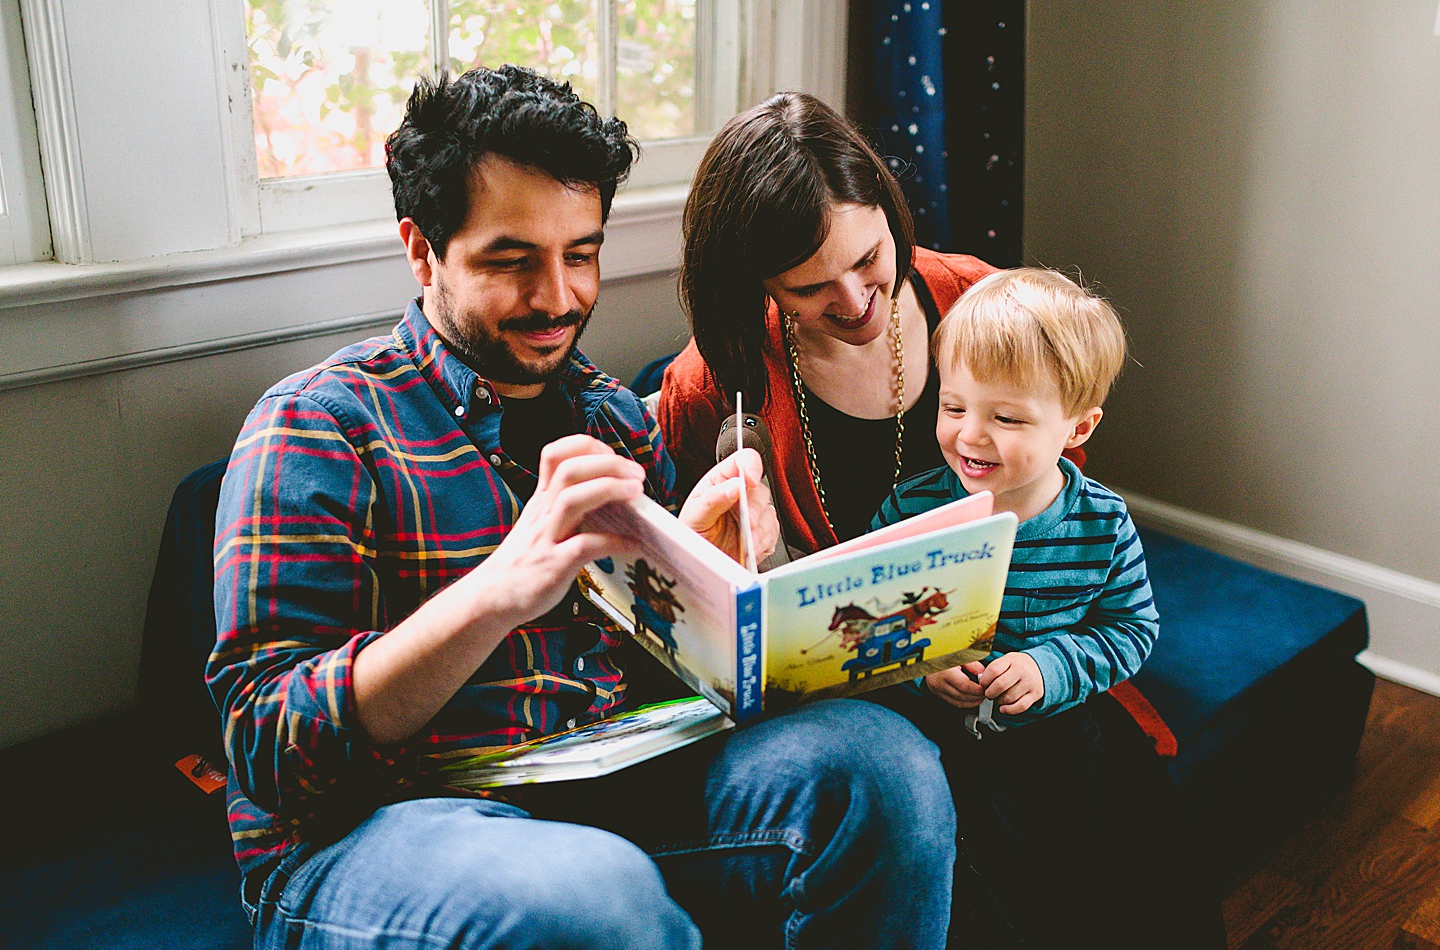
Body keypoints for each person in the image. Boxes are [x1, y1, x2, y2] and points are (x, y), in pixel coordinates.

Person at [208, 66, 957, 950]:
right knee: (592, 895)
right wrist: (496, 593)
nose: (559, 298)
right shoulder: (319, 425)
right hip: (393, 824)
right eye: (512, 260)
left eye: (582, 253)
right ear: (422, 250)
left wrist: (698, 581)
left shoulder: (613, 421)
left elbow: (657, 695)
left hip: (603, 782)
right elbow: (264, 741)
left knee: (885, 768)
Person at [872, 267, 1225, 949]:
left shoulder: (1101, 523)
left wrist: (1053, 666)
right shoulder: (911, 511)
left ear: (1076, 427)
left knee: (1106, 856)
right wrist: (924, 666)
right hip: (943, 737)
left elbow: (1131, 628)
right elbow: (876, 624)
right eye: (953, 407)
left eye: (1007, 418)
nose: (972, 436)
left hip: (1057, 729)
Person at [658, 91, 1072, 550]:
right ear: (757, 283)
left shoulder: (982, 301)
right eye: (810, 289)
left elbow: (1063, 493)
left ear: (885, 204)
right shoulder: (704, 388)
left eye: (868, 257)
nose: (855, 303)